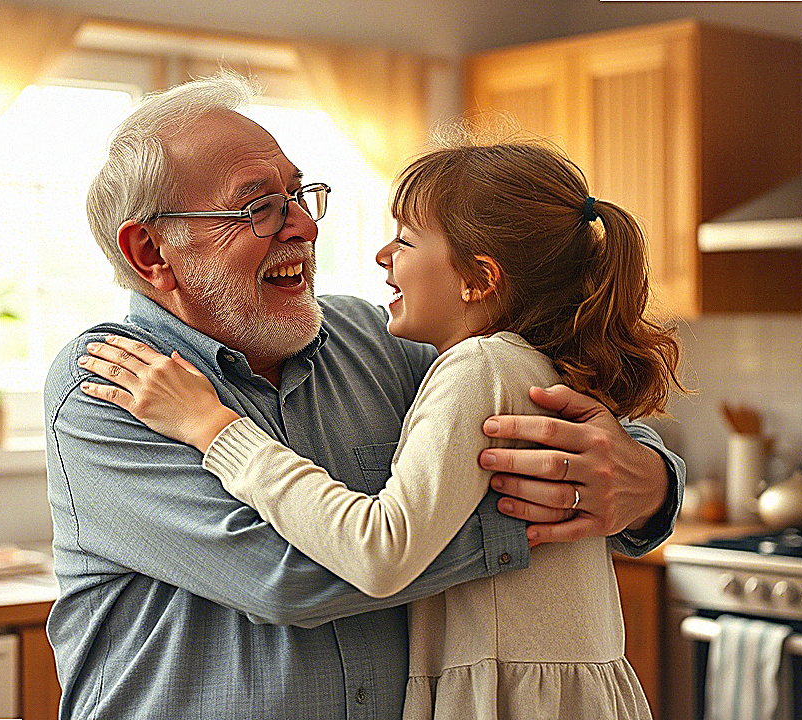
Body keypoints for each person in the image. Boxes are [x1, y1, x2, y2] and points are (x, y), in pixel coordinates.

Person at [45, 72, 685, 719]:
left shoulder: (381, 341)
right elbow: (288, 578)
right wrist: (548, 521)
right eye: (258, 207)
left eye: (298, 194)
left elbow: (556, 398)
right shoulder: (111, 385)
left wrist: (648, 480)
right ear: (150, 250)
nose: (302, 225)